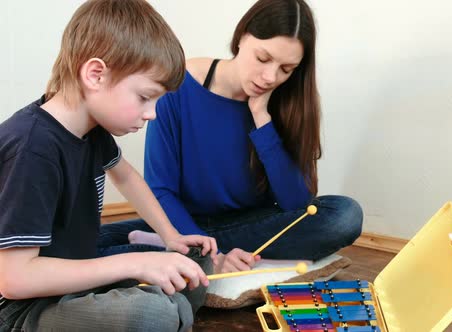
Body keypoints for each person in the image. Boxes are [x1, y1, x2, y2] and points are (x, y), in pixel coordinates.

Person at [0, 1, 218, 331]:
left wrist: (170, 236)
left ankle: (170, 310)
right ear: (96, 74)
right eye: (145, 97)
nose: (152, 113)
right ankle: (169, 312)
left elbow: (126, 177)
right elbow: (14, 280)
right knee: (149, 314)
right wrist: (135, 262)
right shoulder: (33, 148)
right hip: (24, 309)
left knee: (191, 265)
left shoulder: (92, 129)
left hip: (76, 277)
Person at [108, 0, 363, 274]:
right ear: (242, 36)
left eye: (286, 69)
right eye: (263, 58)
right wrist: (212, 252)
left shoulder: (289, 100)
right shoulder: (179, 85)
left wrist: (261, 118)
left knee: (344, 215)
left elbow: (296, 204)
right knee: (89, 242)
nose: (269, 77)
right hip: (183, 222)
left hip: (252, 225)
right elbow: (161, 190)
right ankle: (192, 250)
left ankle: (181, 252)